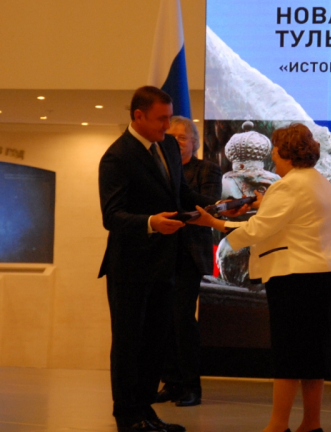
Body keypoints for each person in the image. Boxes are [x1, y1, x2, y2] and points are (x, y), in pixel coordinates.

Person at [191, 122, 331, 432]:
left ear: (288, 153)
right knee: (313, 356)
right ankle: (311, 424)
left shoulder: (287, 186)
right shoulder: (317, 180)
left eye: (275, 152)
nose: (272, 158)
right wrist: (262, 205)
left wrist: (214, 222)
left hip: (298, 277)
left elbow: (257, 230)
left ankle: (277, 426)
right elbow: (289, 217)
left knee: (288, 353)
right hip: (328, 275)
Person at [98, 86, 217, 432]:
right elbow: (112, 215)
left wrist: (216, 209)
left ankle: (145, 412)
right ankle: (128, 417)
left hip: (166, 263)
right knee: (129, 343)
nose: (168, 126)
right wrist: (151, 223)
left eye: (169, 117)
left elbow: (182, 193)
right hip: (130, 267)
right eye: (161, 119)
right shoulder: (117, 156)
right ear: (138, 116)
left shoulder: (166, 147)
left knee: (155, 342)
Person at [156, 116, 222, 407]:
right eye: (170, 137)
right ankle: (171, 382)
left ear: (194, 142)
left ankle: (191, 386)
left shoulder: (207, 169)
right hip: (159, 252)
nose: (175, 142)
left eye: (182, 138)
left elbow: (208, 206)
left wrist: (176, 187)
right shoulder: (157, 168)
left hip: (189, 253)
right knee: (162, 320)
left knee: (182, 319)